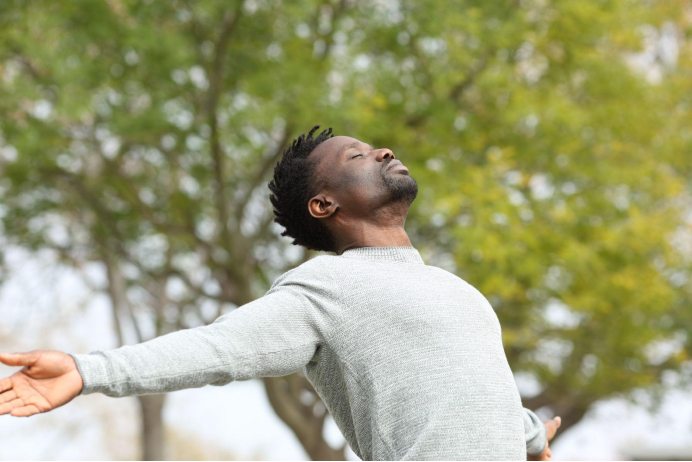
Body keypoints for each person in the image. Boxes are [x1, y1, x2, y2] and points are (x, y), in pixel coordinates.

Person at [0, 126, 561, 460]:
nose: (384, 151)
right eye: (358, 156)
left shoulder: (459, 291)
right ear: (325, 205)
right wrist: (89, 369)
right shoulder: (326, 289)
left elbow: (469, 404)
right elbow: (217, 348)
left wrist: (531, 436)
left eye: (375, 148)